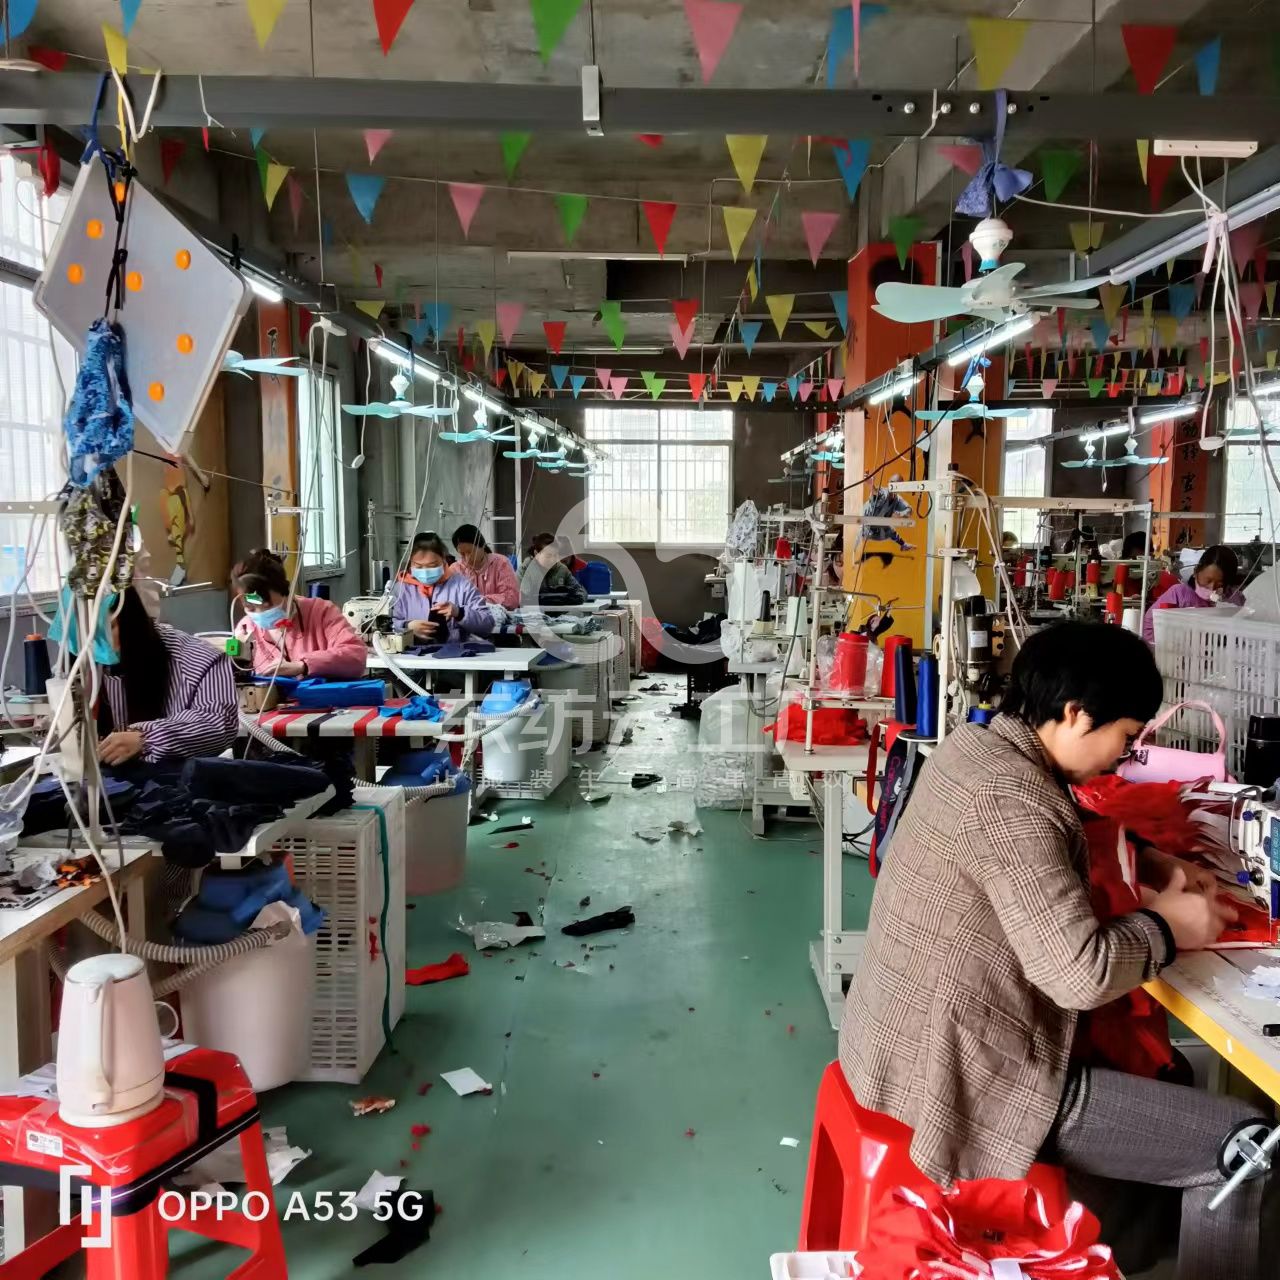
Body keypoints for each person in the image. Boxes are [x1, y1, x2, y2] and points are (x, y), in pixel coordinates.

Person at [839, 621, 1274, 1280]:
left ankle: (1110, 1253)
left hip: (895, 1043)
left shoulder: (974, 750)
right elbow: (1080, 973)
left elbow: (1040, 855)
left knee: (1169, 1085)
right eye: (1126, 737)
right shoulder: (1016, 797)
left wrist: (1145, 859)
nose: (1123, 758)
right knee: (1245, 1144)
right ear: (1075, 713)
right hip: (966, 1078)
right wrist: (1169, 927)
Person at [48, 585, 239, 764]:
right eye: (85, 636)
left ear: (130, 620)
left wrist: (146, 738)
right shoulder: (76, 663)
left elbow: (220, 724)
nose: (95, 644)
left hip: (177, 780)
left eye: (107, 629)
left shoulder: (198, 660)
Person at [233, 549, 367, 679]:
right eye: (251, 609)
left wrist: (303, 665)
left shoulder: (321, 612)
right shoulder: (246, 628)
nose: (260, 613)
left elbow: (356, 656)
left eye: (269, 606)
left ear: (286, 592)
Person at [392, 532, 493, 642]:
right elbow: (385, 625)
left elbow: (487, 626)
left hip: (454, 651)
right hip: (412, 652)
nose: (425, 571)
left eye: (432, 565)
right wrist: (406, 626)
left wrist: (460, 613)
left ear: (444, 560)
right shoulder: (400, 590)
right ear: (410, 564)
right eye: (419, 566)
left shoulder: (462, 586)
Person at [1142, 544, 1245, 643]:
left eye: (1220, 584)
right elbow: (1150, 623)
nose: (1212, 587)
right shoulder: (1179, 594)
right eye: (1208, 580)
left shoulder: (1233, 599)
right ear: (1196, 572)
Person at [452, 524, 519, 609]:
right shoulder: (456, 569)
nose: (467, 558)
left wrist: (480, 601)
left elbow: (511, 599)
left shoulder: (501, 563)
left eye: (470, 552)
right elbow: (450, 599)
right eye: (462, 554)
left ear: (482, 545)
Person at [519, 533, 588, 605]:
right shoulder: (525, 569)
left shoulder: (562, 569)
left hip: (558, 612)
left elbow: (581, 593)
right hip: (531, 611)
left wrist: (562, 598)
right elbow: (520, 598)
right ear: (536, 554)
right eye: (548, 556)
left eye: (555, 555)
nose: (553, 560)